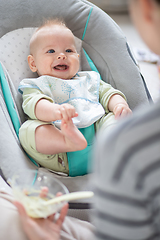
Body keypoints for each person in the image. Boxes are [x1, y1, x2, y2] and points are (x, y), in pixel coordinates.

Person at [18, 19, 131, 176]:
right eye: (51, 51)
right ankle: (69, 141)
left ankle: (112, 145)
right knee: (27, 132)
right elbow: (35, 105)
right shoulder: (36, 85)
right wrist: (56, 111)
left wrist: (120, 105)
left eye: (69, 51)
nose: (62, 56)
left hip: (98, 139)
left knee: (113, 117)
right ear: (33, 63)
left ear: (77, 57)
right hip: (59, 153)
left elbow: (108, 93)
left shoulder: (89, 79)